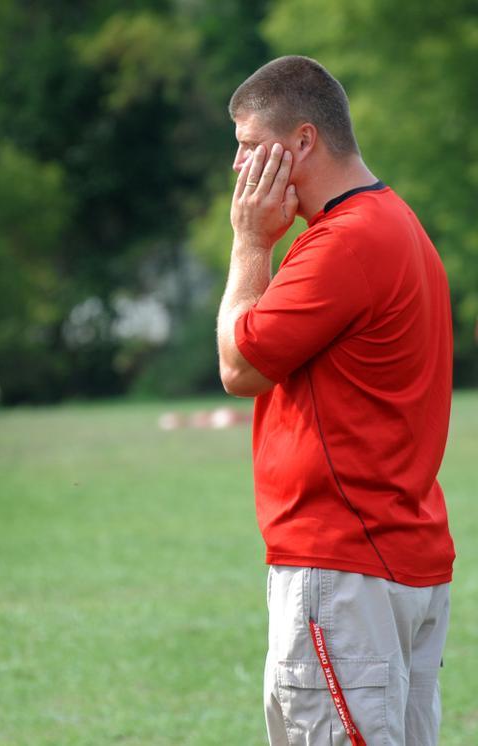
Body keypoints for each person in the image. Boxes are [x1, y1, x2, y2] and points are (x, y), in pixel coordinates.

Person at [217, 56, 454, 745]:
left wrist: (250, 244)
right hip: (392, 557)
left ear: (302, 141)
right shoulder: (395, 222)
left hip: (345, 566)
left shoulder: (342, 243)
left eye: (248, 145)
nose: (238, 167)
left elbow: (239, 366)